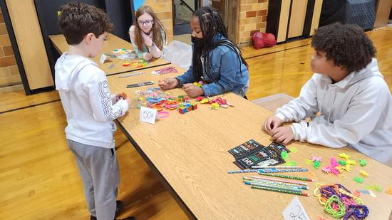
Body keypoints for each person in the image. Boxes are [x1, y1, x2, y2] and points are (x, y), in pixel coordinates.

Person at [262, 23, 392, 167]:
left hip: (367, 152)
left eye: (318, 55)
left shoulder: (372, 88)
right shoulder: (324, 74)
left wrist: (296, 131)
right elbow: (304, 103)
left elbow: (345, 133)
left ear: (339, 63)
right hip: (332, 139)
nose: (312, 57)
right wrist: (281, 115)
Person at [55, 2, 135, 219]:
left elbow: (79, 97)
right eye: (103, 39)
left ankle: (96, 214)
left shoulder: (62, 63)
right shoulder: (94, 73)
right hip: (96, 143)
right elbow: (104, 114)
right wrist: (123, 104)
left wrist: (108, 98)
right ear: (90, 38)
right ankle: (105, 215)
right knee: (106, 188)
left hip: (75, 137)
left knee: (90, 181)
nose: (103, 44)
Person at [158, 7, 249, 98]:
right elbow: (195, 71)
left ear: (212, 29)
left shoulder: (226, 51)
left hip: (235, 88)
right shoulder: (198, 42)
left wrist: (202, 90)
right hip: (215, 82)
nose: (193, 34)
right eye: (192, 30)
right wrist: (177, 81)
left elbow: (227, 83)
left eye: (197, 31)